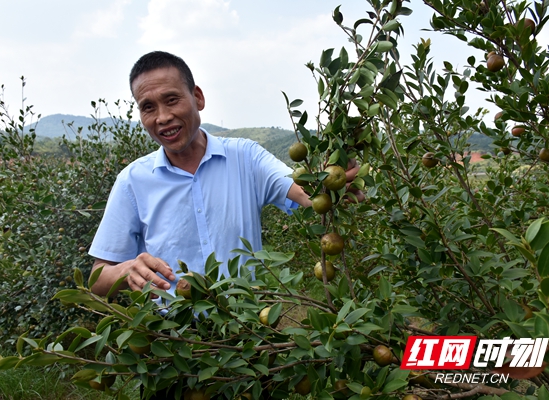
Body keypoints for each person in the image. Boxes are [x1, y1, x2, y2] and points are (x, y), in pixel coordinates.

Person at [87, 50, 359, 398]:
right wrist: (126, 270)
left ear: (197, 97)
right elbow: (97, 277)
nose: (163, 117)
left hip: (253, 344)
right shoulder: (132, 182)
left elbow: (307, 194)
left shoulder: (246, 157)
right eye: (148, 107)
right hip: (173, 351)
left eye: (172, 100)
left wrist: (336, 184)